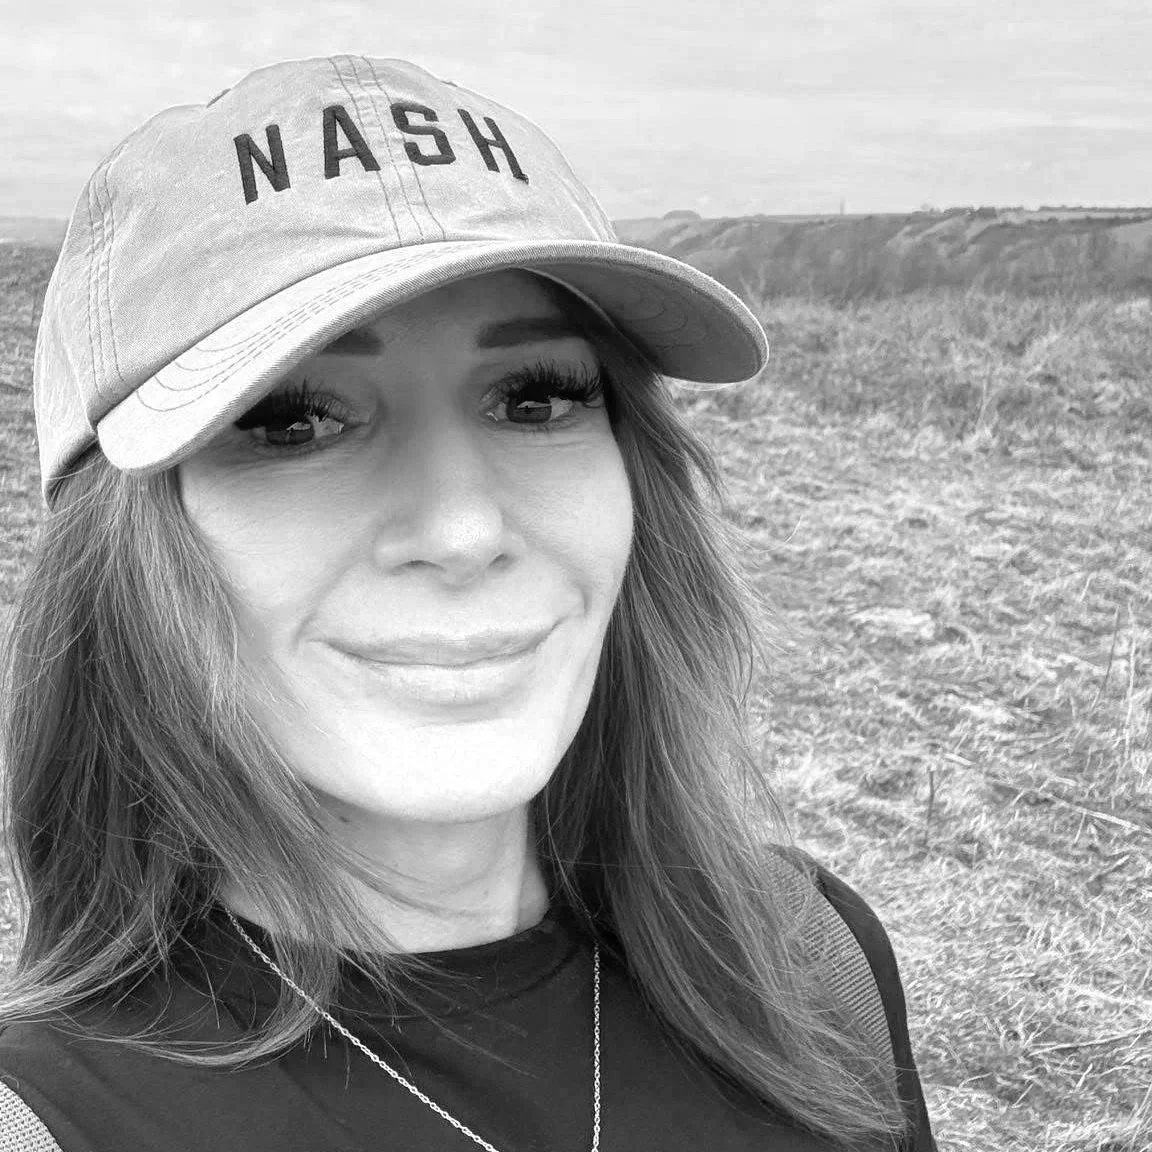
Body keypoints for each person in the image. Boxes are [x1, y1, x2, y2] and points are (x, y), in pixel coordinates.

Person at [0, 55, 937, 1152]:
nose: (463, 530)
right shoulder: (45, 1124)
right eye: (293, 420)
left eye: (536, 397)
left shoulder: (805, 964)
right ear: (118, 560)